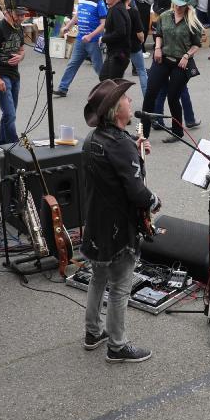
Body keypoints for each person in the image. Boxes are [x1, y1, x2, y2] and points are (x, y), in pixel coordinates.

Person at [80, 78, 158, 363]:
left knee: (98, 278)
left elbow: (115, 175)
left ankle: (92, 332)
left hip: (96, 224)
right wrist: (155, 201)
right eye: (126, 99)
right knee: (120, 288)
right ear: (115, 110)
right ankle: (117, 345)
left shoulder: (93, 139)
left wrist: (134, 151)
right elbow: (136, 191)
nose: (131, 101)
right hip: (118, 229)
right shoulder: (121, 145)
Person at [143, 0, 203, 142]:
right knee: (150, 93)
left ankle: (178, 132)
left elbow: (197, 44)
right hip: (162, 58)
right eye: (176, 3)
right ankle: (143, 133)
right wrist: (157, 48)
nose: (178, 7)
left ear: (188, 6)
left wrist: (186, 56)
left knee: (173, 97)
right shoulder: (164, 16)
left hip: (181, 63)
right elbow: (158, 34)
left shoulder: (192, 22)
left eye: (181, 5)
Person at [54, 0, 107, 96]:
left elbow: (103, 24)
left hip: (93, 41)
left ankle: (110, 89)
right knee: (72, 63)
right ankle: (63, 88)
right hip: (80, 39)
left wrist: (91, 36)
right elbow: (79, 14)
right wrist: (68, 26)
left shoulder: (99, 2)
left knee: (98, 67)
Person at [0, 4, 27, 145]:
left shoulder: (19, 27)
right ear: (8, 12)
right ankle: (13, 146)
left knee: (9, 114)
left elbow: (22, 50)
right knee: (10, 114)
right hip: (1, 75)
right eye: (19, 15)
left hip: (15, 75)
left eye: (23, 15)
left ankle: (2, 144)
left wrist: (20, 57)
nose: (22, 18)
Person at [97, 0, 132, 82]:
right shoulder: (115, 8)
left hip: (119, 54)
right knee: (105, 79)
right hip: (115, 52)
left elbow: (121, 32)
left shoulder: (117, 9)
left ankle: (122, 99)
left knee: (112, 83)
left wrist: (103, 38)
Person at [126, 0, 149, 96]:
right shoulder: (133, 12)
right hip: (134, 45)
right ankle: (147, 99)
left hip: (120, 47)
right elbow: (140, 33)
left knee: (118, 75)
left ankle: (118, 101)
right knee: (141, 71)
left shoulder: (113, 10)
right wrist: (142, 41)